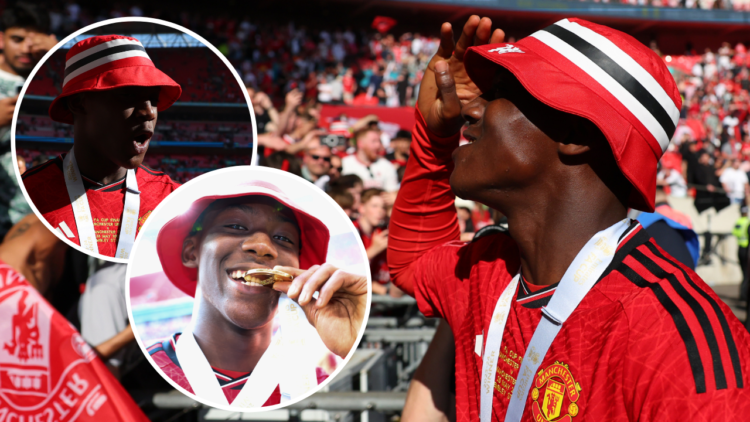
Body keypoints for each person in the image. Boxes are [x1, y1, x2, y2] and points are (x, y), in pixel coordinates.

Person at [388, 15, 750, 422]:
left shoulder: (674, 339)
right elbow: (415, 261)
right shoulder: (491, 271)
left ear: (575, 134)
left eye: (501, 92)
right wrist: (434, 138)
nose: (469, 108)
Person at [147, 180, 367, 407]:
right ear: (192, 252)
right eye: (236, 226)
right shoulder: (141, 374)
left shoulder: (320, 386)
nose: (262, 246)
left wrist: (352, 340)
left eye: (283, 238)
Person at [22, 35, 182, 258]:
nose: (149, 112)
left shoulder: (174, 200)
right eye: (128, 95)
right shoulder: (27, 196)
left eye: (153, 99)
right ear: (78, 103)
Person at [0, 215, 149, 421]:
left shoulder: (17, 288)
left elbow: (82, 363)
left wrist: (136, 328)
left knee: (102, 293)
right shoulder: (23, 252)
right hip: (69, 294)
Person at [0, 3, 57, 240]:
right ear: (1, 39)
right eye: (17, 39)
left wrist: (58, 53)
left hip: (46, 229)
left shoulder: (52, 81)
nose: (26, 48)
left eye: (33, 41)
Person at [342, 127, 399, 194]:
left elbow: (392, 192)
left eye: (379, 141)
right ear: (360, 143)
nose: (378, 145)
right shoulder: (345, 163)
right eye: (374, 141)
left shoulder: (386, 165)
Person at [355, 188, 389, 295]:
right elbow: (345, 268)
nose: (380, 211)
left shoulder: (381, 232)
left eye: (383, 207)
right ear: (361, 208)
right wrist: (373, 250)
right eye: (374, 206)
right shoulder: (351, 230)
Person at [733, 206, 750, 302]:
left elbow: (734, 232)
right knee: (747, 275)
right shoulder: (747, 222)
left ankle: (742, 294)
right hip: (747, 249)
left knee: (744, 273)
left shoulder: (738, 222)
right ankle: (744, 295)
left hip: (740, 249)